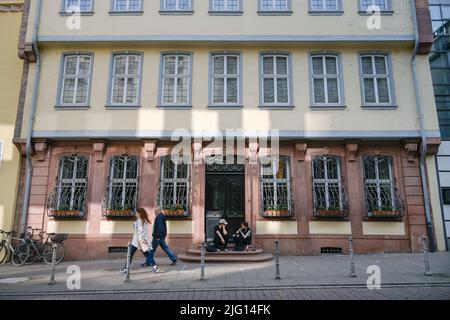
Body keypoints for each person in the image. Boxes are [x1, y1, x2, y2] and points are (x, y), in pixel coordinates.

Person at [117, 208, 152, 275]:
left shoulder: (140, 220)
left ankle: (125, 269)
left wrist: (140, 240)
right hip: (138, 241)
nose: (135, 213)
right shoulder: (143, 220)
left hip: (138, 241)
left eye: (136, 212)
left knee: (130, 254)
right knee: (146, 254)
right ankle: (154, 266)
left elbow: (140, 231)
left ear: (139, 213)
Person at [143, 206, 177, 273]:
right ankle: (174, 259)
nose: (154, 213)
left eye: (155, 212)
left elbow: (160, 228)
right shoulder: (161, 216)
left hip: (157, 237)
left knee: (151, 250)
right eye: (154, 212)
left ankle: (148, 262)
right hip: (161, 237)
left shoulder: (159, 217)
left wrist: (157, 236)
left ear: (158, 211)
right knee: (165, 248)